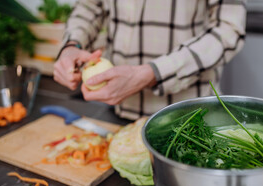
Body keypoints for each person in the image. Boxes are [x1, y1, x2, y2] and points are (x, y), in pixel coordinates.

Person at [53, 0, 246, 120]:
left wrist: (154, 73)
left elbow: (229, 30)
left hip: (189, 116)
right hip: (117, 109)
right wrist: (72, 44)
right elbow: (89, 6)